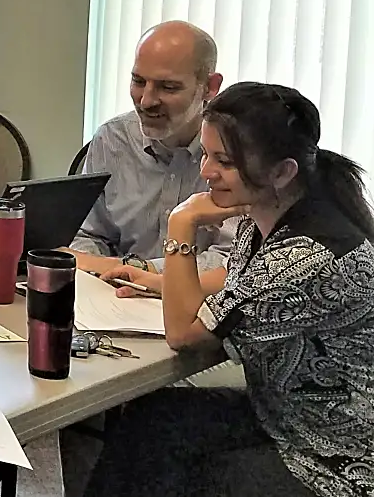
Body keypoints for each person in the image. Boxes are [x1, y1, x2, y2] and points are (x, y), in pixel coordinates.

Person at [85, 82, 374, 497]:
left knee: (205, 477)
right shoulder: (274, 212)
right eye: (206, 154)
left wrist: (181, 222)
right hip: (283, 414)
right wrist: (160, 283)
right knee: (152, 418)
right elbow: (238, 289)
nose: (205, 172)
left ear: (282, 171)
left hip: (334, 455)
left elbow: (186, 335)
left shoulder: (307, 255)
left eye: (223, 160)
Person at [68, 20, 234, 276]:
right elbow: (90, 234)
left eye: (168, 87)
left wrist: (137, 270)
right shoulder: (114, 139)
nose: (146, 101)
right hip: (115, 299)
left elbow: (232, 262)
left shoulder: (237, 153)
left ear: (210, 87)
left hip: (200, 308)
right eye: (138, 81)